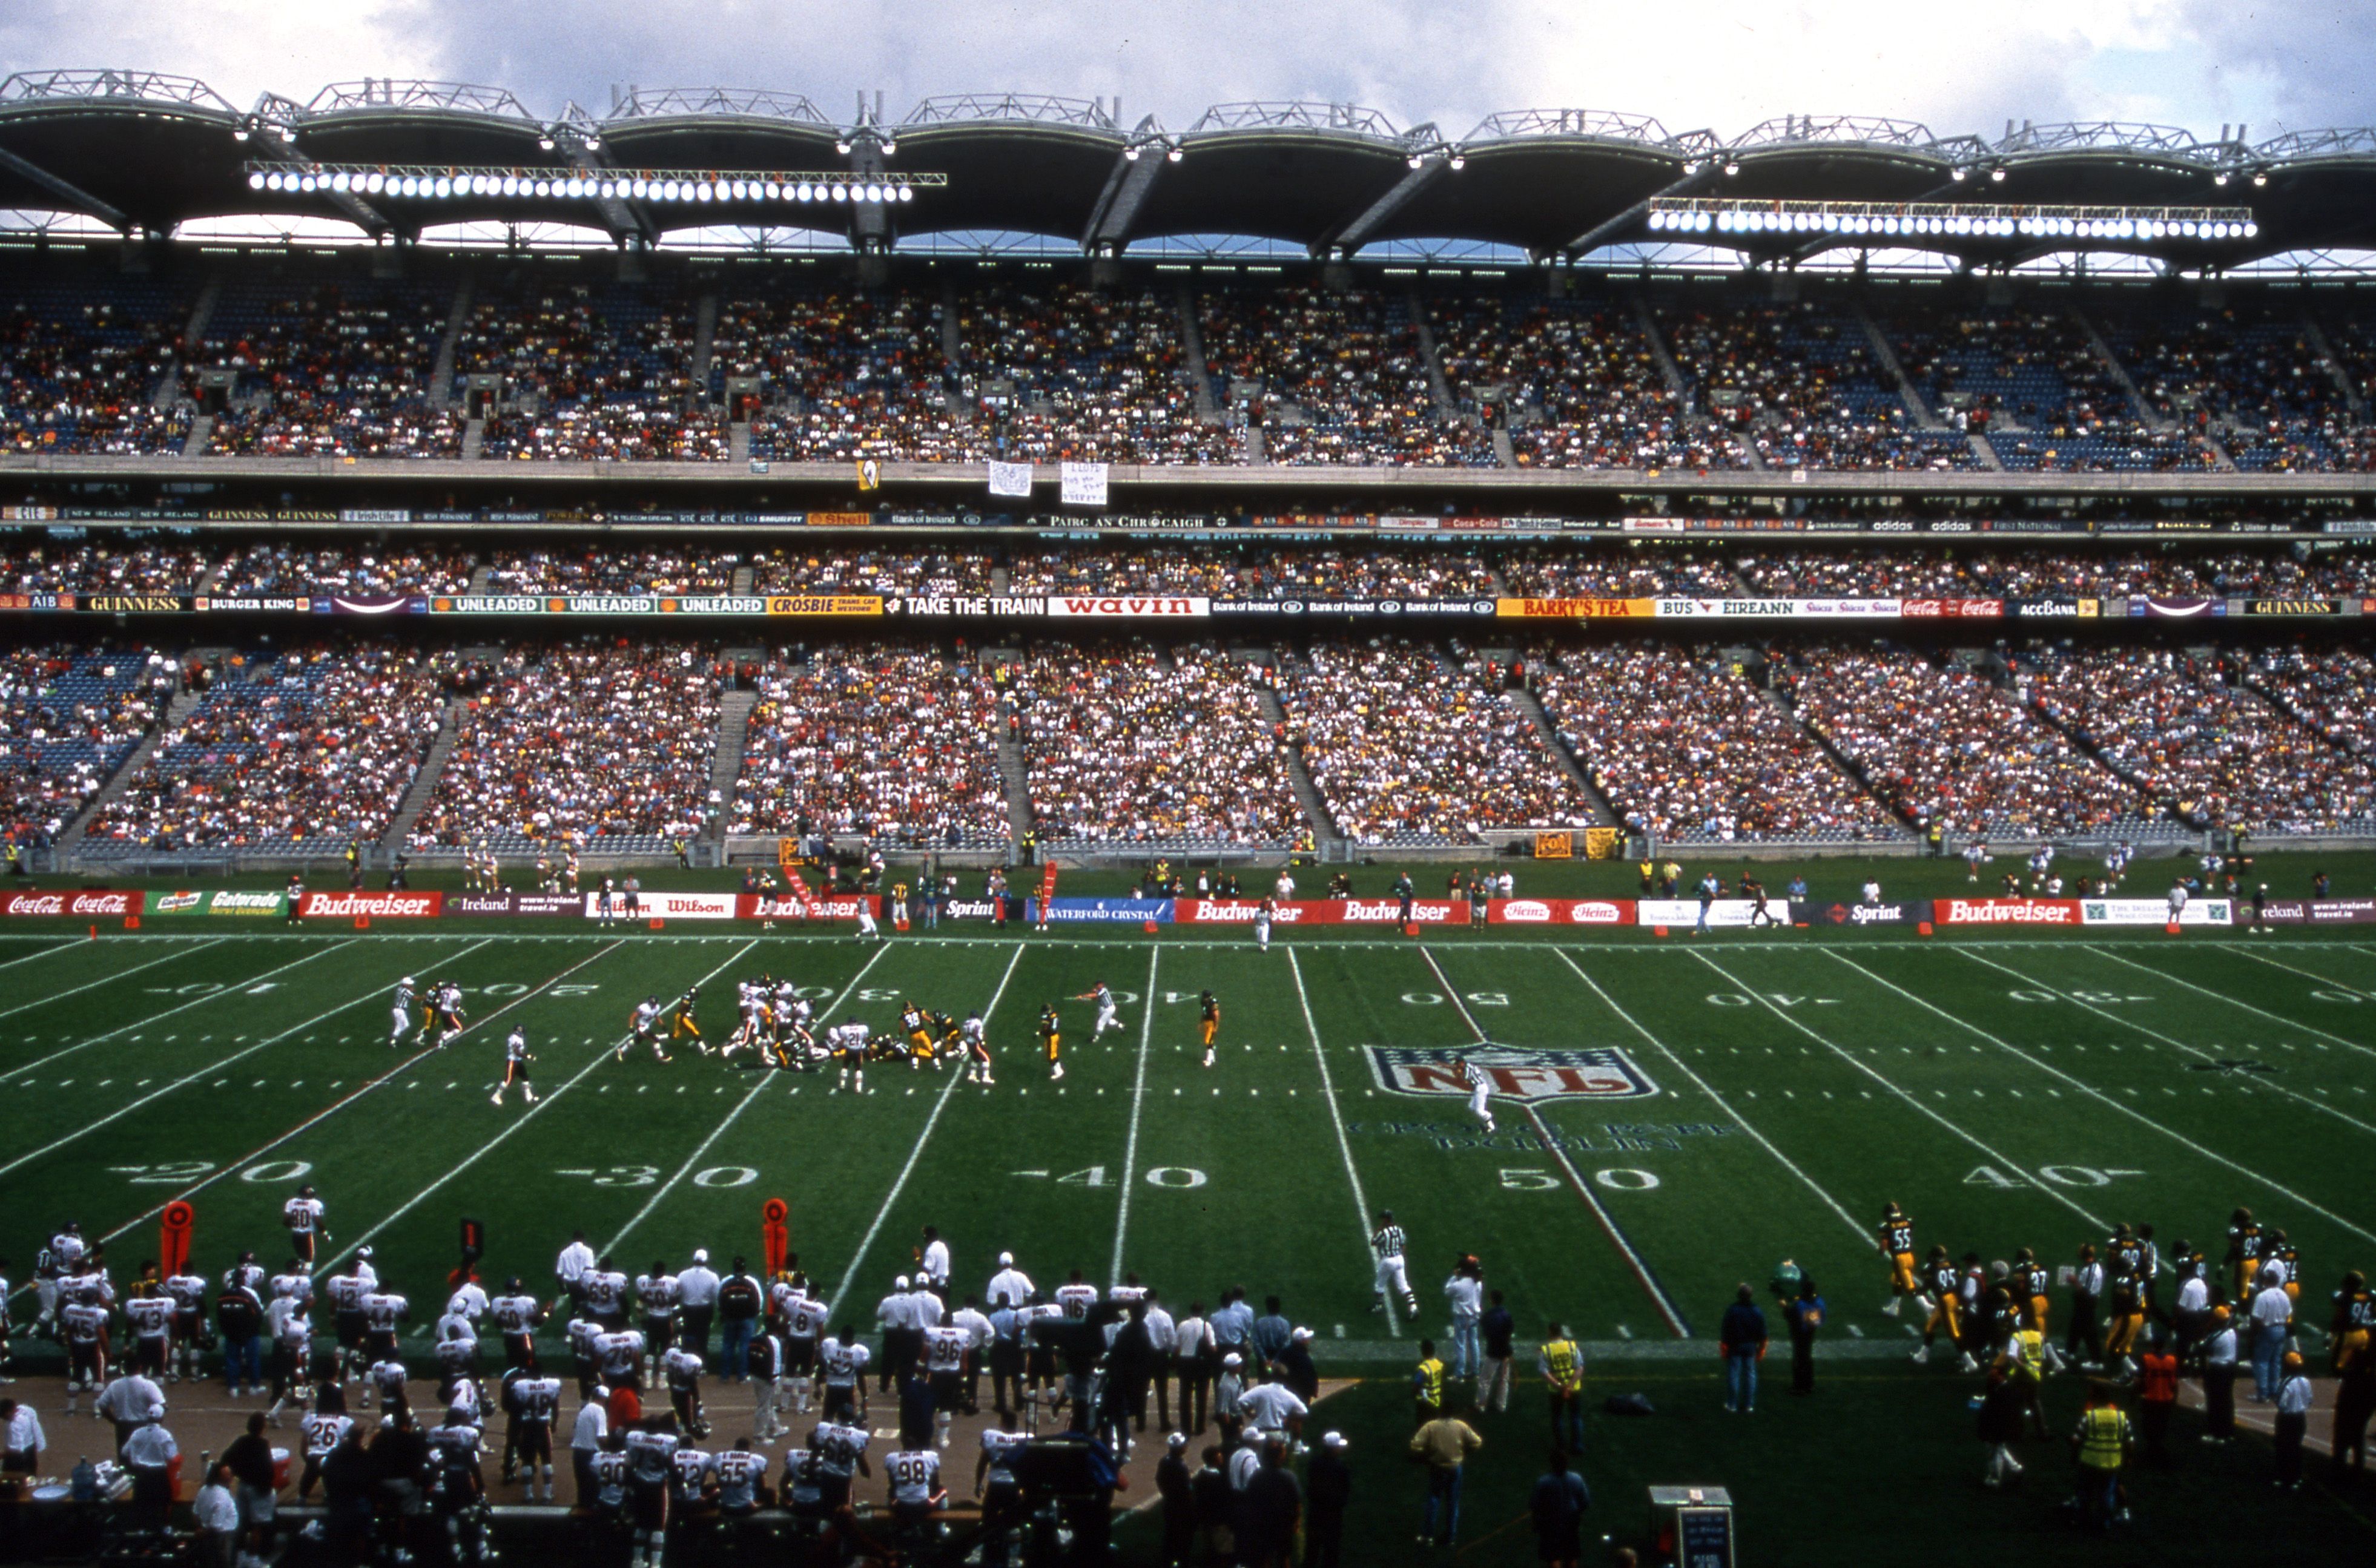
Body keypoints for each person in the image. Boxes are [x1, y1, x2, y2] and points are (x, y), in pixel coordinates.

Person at [1410, 1397, 1482, 1547]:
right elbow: (1477, 1442)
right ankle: (1450, 1537)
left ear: (1440, 1412)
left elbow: (1415, 1445)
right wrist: (1465, 1452)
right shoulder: (1461, 1426)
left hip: (1437, 1467)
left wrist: (1426, 1456)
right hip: (1455, 1468)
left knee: (1433, 1500)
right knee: (1453, 1503)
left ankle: (1427, 1535)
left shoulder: (1431, 1426)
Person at [2070, 1379, 2132, 1530]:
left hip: (2089, 1461)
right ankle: (2105, 1523)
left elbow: (2076, 1439)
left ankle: (2081, 1520)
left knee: (2085, 1492)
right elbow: (2130, 1441)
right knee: (2107, 1494)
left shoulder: (2090, 1415)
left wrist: (2073, 1455)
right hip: (2111, 1462)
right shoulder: (2120, 1416)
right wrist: (2129, 1458)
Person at [1530, 1448, 1591, 1568]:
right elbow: (1585, 1502)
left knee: (1553, 1558)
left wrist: (1537, 1522)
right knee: (1571, 1557)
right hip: (1571, 1522)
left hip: (1550, 1524)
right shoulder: (1577, 1479)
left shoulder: (1544, 1482)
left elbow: (1534, 1505)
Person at [1305, 1430, 1351, 1568]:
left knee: (1312, 1550)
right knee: (1331, 1551)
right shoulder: (1341, 1468)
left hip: (1315, 1512)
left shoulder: (1314, 1463)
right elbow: (1346, 1490)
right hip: (1333, 1515)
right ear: (1334, 1449)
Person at [1720, 1284, 1766, 1414]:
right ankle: (1749, 1405)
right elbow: (1762, 1332)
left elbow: (1726, 1329)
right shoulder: (1757, 1311)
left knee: (1734, 1374)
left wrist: (1725, 1345)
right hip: (1751, 1346)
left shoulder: (1733, 1310)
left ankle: (1732, 1404)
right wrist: (1760, 1347)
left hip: (1735, 1345)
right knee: (1750, 1374)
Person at [1537, 1324, 1583, 1452]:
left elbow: (1544, 1371)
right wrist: (1569, 1386)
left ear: (1550, 1333)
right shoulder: (1572, 1346)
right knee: (1576, 1417)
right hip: (1574, 1389)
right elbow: (1580, 1368)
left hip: (1556, 1391)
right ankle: (1577, 1446)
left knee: (1558, 1417)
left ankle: (1561, 1446)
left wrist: (1559, 1386)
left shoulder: (1547, 1350)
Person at [2136, 1331, 2179, 1469]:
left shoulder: (2147, 1358)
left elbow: (2140, 1380)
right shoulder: (2172, 1360)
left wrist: (2134, 1395)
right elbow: (2174, 1383)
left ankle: (2153, 1453)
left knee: (2149, 1428)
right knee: (2161, 1428)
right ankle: (2157, 1452)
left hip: (2151, 1399)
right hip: (2166, 1399)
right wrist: (2174, 1399)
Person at [2275, 1351, 2314, 1489]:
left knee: (2284, 1449)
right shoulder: (2306, 1381)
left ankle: (2286, 1478)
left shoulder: (2286, 1382)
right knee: (2296, 1448)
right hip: (2301, 1418)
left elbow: (2281, 1403)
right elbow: (2310, 1400)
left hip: (2287, 1419)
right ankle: (2296, 1477)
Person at [2201, 1305, 2240, 1443]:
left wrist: (2208, 1326)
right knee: (2227, 1401)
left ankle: (2216, 1433)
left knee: (2215, 1402)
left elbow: (2204, 1348)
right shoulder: (2232, 1332)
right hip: (2230, 1369)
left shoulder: (2216, 1336)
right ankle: (2228, 1431)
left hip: (2218, 1371)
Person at [193, 1463, 240, 1568]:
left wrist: (199, 1529)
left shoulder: (204, 1490)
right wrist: (204, 1532)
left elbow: (195, 1512)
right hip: (222, 1538)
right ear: (220, 1478)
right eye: (229, 1475)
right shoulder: (222, 1496)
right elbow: (216, 1526)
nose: (232, 1477)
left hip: (207, 1536)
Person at [1784, 1275, 1824, 1395]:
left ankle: (1799, 1387)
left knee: (1799, 1359)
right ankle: (1809, 1384)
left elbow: (1791, 1318)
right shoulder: (1818, 1302)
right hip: (1810, 1332)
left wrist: (1785, 1308)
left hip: (1800, 1334)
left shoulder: (1800, 1305)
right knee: (1807, 1358)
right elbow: (1817, 1320)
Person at [1479, 1290, 1516, 1413]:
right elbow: (1509, 1333)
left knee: (1485, 1379)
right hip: (1505, 1352)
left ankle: (1482, 1404)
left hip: (1493, 1351)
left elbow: (1486, 1332)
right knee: (1504, 1380)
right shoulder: (1507, 1315)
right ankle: (1501, 1405)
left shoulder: (1488, 1316)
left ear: (1492, 1300)